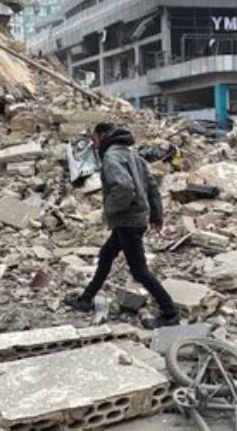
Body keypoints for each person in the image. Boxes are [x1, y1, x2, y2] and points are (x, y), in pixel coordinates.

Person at [66, 123, 180, 328]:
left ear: (103, 136)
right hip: (134, 219)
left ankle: (170, 313)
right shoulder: (132, 154)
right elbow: (151, 186)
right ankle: (86, 299)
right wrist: (156, 214)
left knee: (139, 271)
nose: (94, 145)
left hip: (128, 221)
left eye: (94, 140)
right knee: (106, 255)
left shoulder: (112, 157)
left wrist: (110, 209)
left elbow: (124, 187)